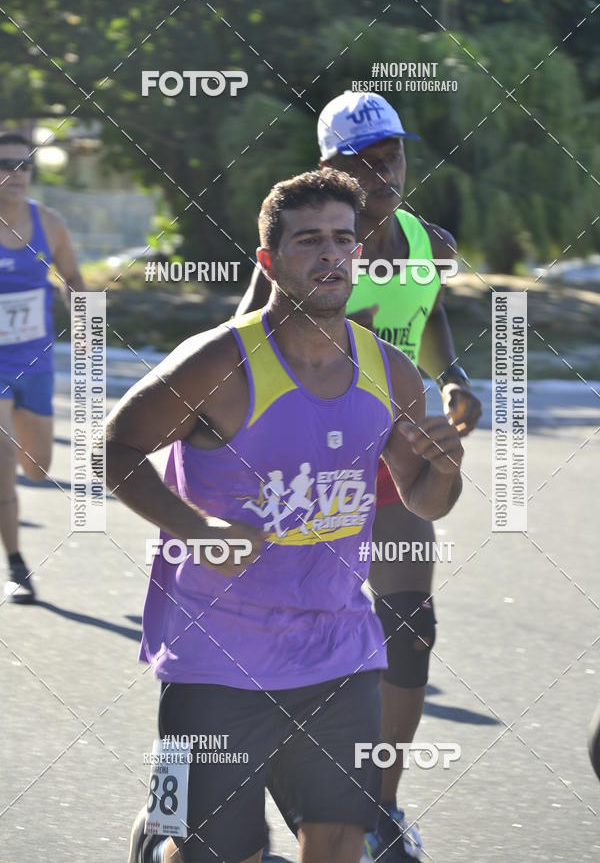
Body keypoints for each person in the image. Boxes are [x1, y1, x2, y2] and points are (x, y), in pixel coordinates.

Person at [105, 168, 465, 863]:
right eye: (309, 242)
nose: (331, 255)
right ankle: (164, 830)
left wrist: (445, 469)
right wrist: (198, 530)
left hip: (342, 651)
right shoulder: (217, 365)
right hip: (216, 658)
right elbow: (117, 447)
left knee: (338, 844)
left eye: (343, 239)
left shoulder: (391, 372)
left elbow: (425, 499)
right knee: (212, 851)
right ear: (269, 261)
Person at [236, 92, 481, 860]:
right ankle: (215, 794)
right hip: (307, 466)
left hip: (394, 462)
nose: (385, 173)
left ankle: (380, 808)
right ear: (327, 167)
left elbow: (427, 308)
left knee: (410, 632)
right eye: (364, 161)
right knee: (282, 636)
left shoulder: (429, 242)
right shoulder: (312, 244)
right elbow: (241, 339)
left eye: (393, 156)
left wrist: (454, 377)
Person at [0, 132, 85, 603]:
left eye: (25, 164)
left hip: (35, 361)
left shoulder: (48, 223)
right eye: (6, 163)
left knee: (37, 468)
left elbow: (74, 278)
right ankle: (16, 565)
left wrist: (81, 306)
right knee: (3, 460)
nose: (17, 172)